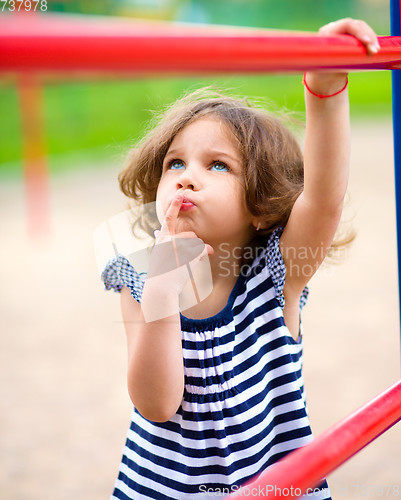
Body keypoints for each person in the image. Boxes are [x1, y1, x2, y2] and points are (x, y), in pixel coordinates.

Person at [100, 18, 380, 500]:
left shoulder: (277, 277)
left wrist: (325, 90)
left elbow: (324, 200)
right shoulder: (140, 276)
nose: (187, 177)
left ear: (259, 205)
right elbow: (157, 403)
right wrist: (164, 289)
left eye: (218, 165)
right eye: (176, 163)